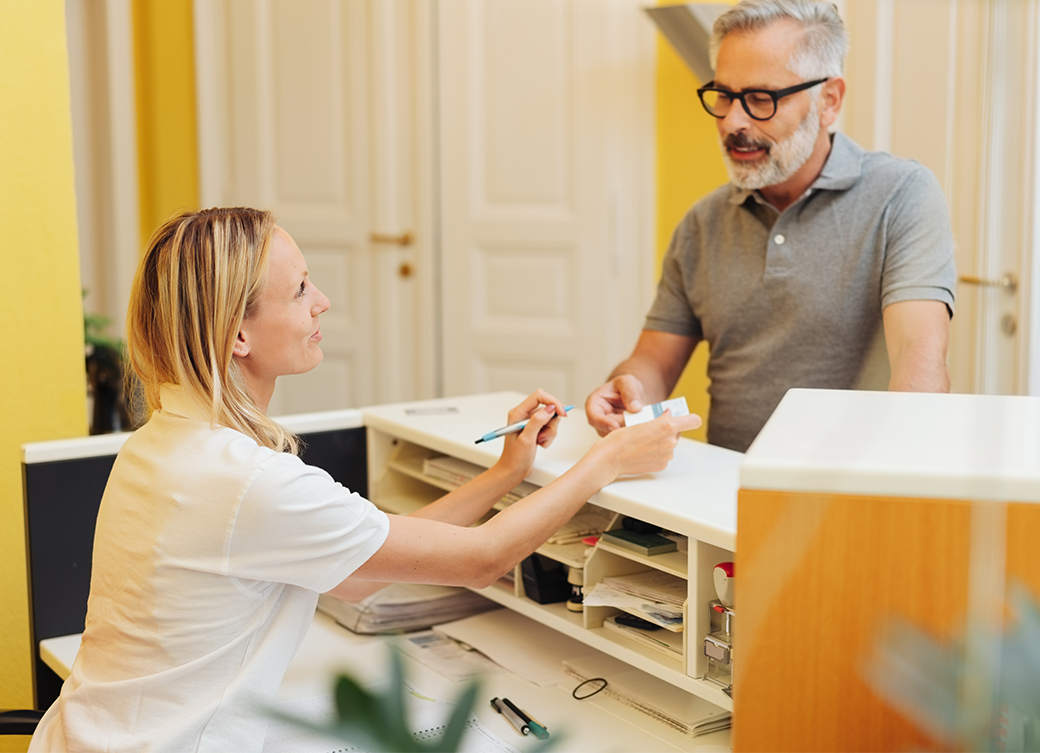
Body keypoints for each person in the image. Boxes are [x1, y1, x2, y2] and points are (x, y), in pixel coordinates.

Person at [29, 208, 701, 752]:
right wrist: (607, 461)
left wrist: (506, 473)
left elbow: (358, 571)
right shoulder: (248, 483)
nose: (322, 302)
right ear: (238, 335)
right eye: (298, 291)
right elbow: (482, 561)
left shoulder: (162, 446)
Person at [586, 0, 956, 453]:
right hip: (725, 491)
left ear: (829, 100)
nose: (732, 122)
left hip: (848, 493)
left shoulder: (902, 196)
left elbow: (917, 355)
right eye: (723, 96)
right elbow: (654, 365)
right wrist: (627, 393)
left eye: (760, 99)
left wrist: (896, 485)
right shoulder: (702, 224)